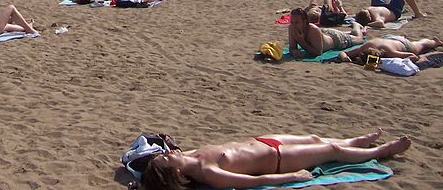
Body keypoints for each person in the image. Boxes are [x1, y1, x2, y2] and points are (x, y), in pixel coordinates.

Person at [141, 130, 410, 190]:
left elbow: (160, 149)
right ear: (174, 174)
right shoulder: (205, 171)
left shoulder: (187, 155)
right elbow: (249, 182)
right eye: (165, 159)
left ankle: (354, 142)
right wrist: (292, 177)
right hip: (278, 158)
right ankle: (382, 151)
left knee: (317, 139)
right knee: (331, 152)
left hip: (263, 141)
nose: (167, 153)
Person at [287, 8, 364, 57]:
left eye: (297, 22)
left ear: (304, 22)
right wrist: (294, 51)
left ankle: (356, 25)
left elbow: (318, 52)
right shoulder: (292, 28)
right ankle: (349, 31)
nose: (294, 25)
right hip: (324, 33)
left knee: (359, 39)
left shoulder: (313, 30)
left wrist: (301, 42)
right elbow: (292, 47)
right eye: (292, 22)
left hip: (336, 39)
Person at [354, 0, 426, 28]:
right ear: (369, 17)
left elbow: (354, 17)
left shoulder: (362, 14)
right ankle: (418, 13)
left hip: (378, 5)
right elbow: (380, 23)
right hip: (393, 10)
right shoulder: (375, 16)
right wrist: (368, 25)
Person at [338, 35, 442, 64]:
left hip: (404, 45)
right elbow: (343, 53)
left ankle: (435, 42)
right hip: (390, 38)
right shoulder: (365, 47)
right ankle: (433, 41)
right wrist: (345, 58)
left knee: (421, 45)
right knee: (419, 43)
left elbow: (413, 56)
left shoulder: (390, 52)